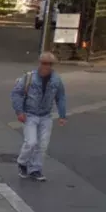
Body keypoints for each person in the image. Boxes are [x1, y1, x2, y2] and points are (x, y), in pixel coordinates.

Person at [11, 52, 67, 182]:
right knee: (31, 142)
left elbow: (61, 97)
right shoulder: (29, 77)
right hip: (30, 114)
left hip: (46, 116)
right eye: (44, 63)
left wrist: (62, 115)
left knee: (42, 145)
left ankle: (35, 169)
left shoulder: (56, 80)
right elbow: (16, 93)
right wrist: (19, 112)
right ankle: (22, 162)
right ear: (40, 63)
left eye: (49, 64)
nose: (46, 66)